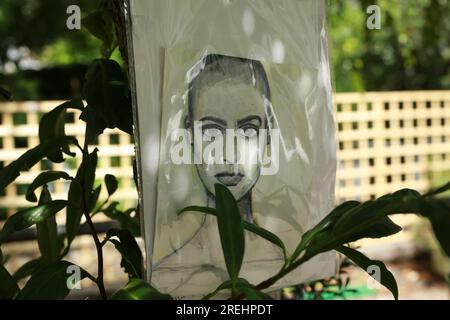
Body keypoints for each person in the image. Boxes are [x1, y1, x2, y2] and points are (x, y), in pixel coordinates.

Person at [185, 53, 274, 223]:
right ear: (189, 131)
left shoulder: (285, 247)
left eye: (248, 130)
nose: (231, 154)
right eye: (212, 131)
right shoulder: (176, 249)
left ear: (268, 131)